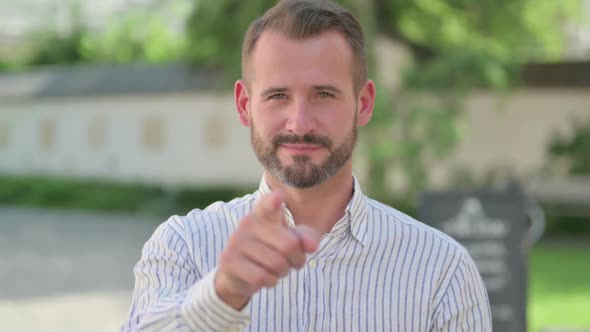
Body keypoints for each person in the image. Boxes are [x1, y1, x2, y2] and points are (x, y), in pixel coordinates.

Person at [121, 0, 492, 331]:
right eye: (278, 95)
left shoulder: (442, 270)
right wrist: (223, 294)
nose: (299, 122)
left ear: (363, 104)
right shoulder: (183, 247)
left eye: (323, 95)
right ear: (244, 105)